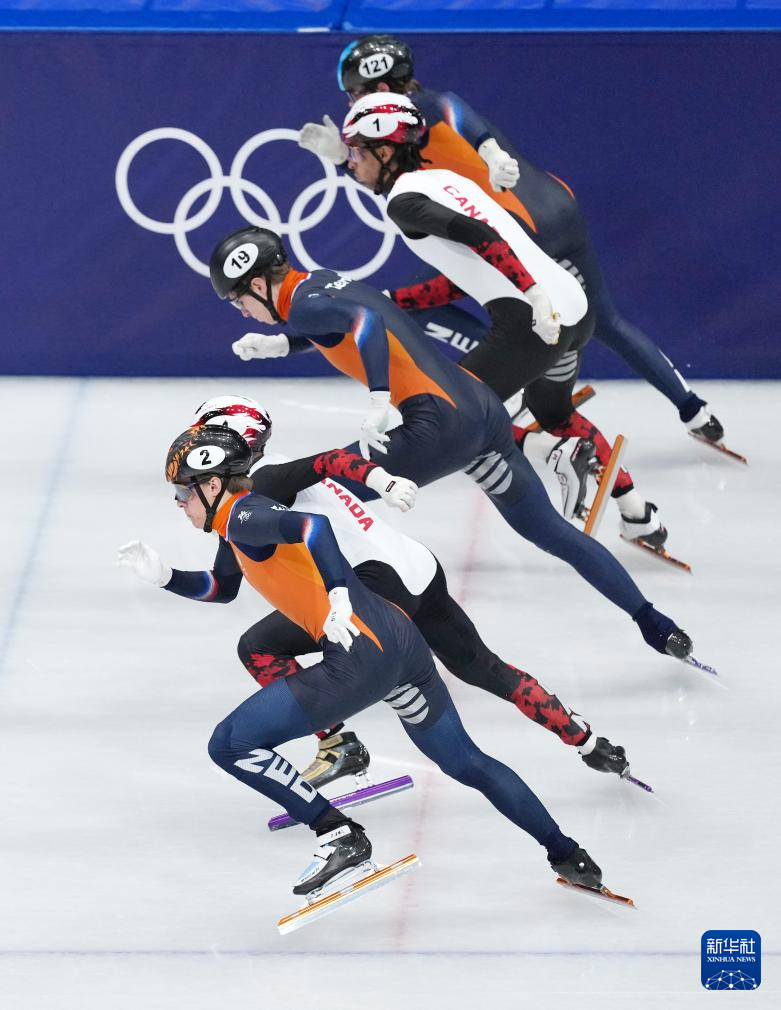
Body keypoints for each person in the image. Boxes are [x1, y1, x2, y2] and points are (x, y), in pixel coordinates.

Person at [123, 421, 609, 898]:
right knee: (467, 762)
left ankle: (338, 834)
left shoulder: (243, 516)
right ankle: (569, 855)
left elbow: (314, 527)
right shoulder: (236, 522)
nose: (179, 503)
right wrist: (165, 576)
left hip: (359, 654)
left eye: (183, 492)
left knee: (230, 744)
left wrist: (337, 596)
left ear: (212, 485)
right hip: (399, 641)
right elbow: (220, 588)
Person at [209, 224, 694, 665]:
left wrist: (379, 397)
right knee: (552, 532)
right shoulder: (320, 282)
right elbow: (350, 320)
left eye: (238, 301)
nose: (242, 312)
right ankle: (656, 623)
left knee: (287, 490)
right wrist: (282, 344)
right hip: (481, 408)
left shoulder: (304, 305)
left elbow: (368, 324)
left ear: (258, 283)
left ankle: (291, 609)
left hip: (437, 427)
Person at [297, 33, 724, 447]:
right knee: (606, 322)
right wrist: (344, 159)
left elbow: (448, 112)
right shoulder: (408, 123)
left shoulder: (415, 110)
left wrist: (489, 151)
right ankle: (693, 410)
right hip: (556, 205)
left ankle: (513, 370)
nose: (351, 104)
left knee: (426, 300)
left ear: (381, 89)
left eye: (354, 94)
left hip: (519, 230)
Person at [337, 90, 669, 549]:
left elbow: (480, 236)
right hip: (573, 310)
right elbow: (472, 267)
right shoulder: (447, 181)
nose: (351, 162)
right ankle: (638, 514)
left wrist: (532, 295)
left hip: (533, 321)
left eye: (356, 151)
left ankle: (556, 453)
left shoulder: (404, 203)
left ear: (386, 151)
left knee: (451, 416)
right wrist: (396, 298)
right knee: (555, 413)